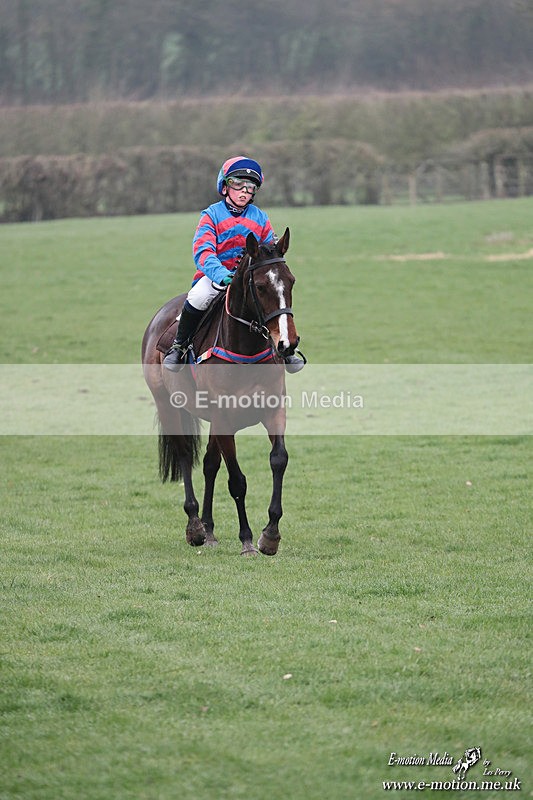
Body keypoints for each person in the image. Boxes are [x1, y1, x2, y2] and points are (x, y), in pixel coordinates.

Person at [163, 156, 304, 372]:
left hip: (251, 280)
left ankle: (287, 351)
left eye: (250, 187)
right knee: (198, 297)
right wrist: (221, 275)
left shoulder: (260, 218)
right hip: (215, 278)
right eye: (238, 184)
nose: (244, 191)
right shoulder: (211, 215)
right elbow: (203, 251)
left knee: (274, 298)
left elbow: (270, 250)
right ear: (225, 186)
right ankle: (179, 347)